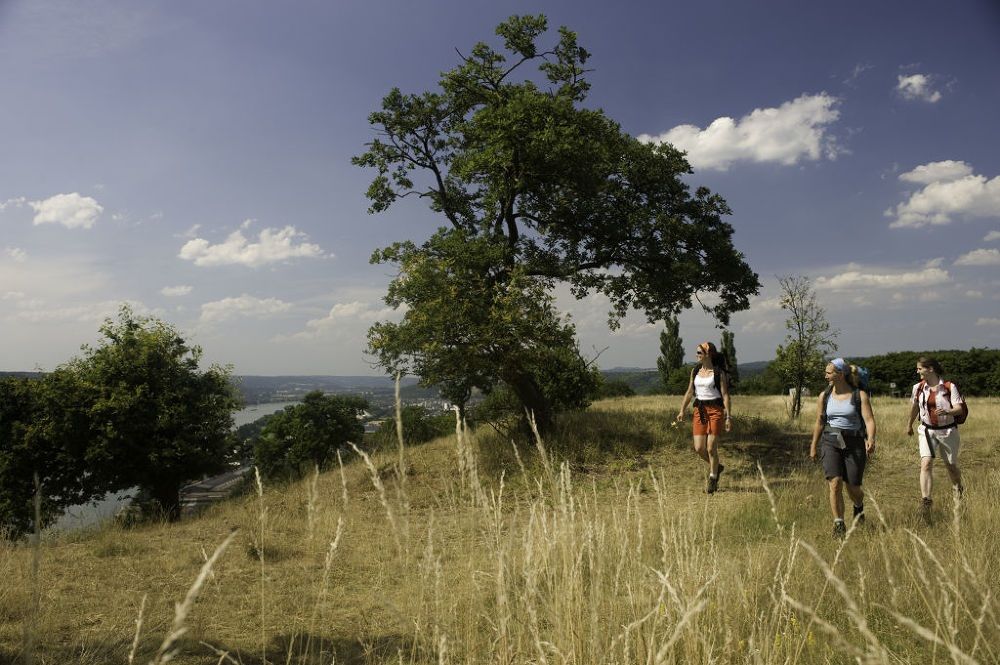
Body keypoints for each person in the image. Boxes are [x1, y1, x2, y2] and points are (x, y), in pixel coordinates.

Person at [809, 358, 876, 538]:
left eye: (829, 373)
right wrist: (813, 446)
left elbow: (869, 420)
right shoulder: (824, 396)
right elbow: (820, 421)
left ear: (840, 374)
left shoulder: (859, 395)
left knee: (853, 487)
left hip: (854, 443)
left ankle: (858, 506)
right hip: (830, 441)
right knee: (835, 483)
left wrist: (871, 438)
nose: (825, 376)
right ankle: (839, 524)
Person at [905, 356, 965, 515]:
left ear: (930, 369)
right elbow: (915, 407)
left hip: (947, 431)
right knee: (926, 463)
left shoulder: (949, 387)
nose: (917, 371)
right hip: (927, 430)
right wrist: (909, 424)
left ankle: (958, 488)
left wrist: (948, 411)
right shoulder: (917, 388)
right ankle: (926, 500)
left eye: (919, 368)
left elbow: (959, 408)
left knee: (951, 466)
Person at [676, 342, 732, 493]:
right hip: (699, 410)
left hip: (715, 410)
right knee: (699, 448)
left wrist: (728, 416)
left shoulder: (718, 373)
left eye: (700, 353)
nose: (697, 355)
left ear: (708, 354)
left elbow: (725, 395)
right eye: (697, 353)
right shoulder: (695, 371)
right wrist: (682, 410)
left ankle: (713, 479)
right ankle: (717, 467)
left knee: (711, 448)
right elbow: (689, 392)